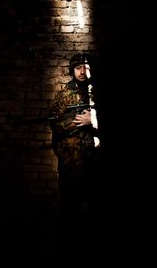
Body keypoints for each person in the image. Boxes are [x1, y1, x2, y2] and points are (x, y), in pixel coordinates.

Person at [49, 52, 100, 220]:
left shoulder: (97, 94)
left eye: (86, 68)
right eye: (78, 68)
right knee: (69, 204)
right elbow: (55, 124)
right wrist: (78, 121)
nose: (83, 72)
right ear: (72, 70)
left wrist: (92, 120)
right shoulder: (64, 95)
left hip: (93, 160)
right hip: (70, 160)